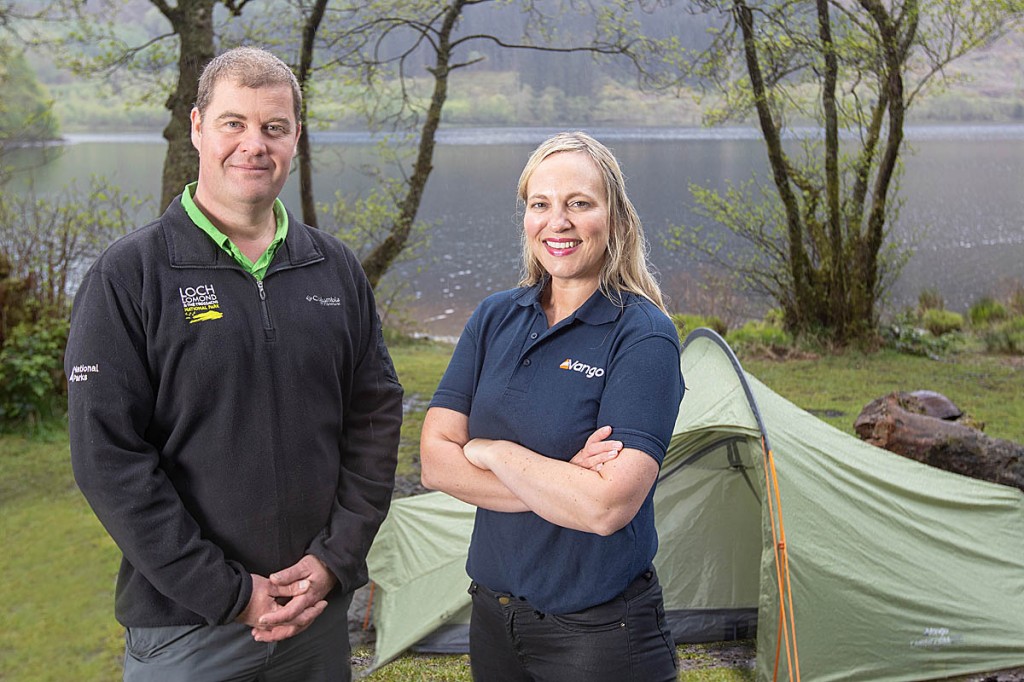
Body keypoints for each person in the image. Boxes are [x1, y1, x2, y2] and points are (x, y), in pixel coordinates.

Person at [65, 46, 404, 682]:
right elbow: (107, 457)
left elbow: (375, 419)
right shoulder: (129, 274)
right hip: (189, 632)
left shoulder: (334, 270)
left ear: (295, 137)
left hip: (315, 616)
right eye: (233, 123)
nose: (254, 144)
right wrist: (227, 591)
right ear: (197, 126)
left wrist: (335, 559)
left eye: (273, 127)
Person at [420, 131, 684, 681]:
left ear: (614, 218)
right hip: (494, 618)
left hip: (598, 636)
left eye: (579, 204)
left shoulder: (643, 336)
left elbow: (605, 509)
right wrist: (563, 480)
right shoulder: (494, 317)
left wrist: (490, 450)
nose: (557, 223)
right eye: (540, 205)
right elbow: (435, 461)